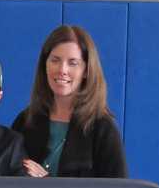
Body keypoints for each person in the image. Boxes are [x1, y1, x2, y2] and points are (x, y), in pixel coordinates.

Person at [11, 25, 127, 178]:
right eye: (55, 60)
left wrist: (48, 183)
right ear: (44, 65)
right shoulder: (25, 120)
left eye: (73, 63)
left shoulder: (103, 128)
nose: (62, 70)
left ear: (86, 70)